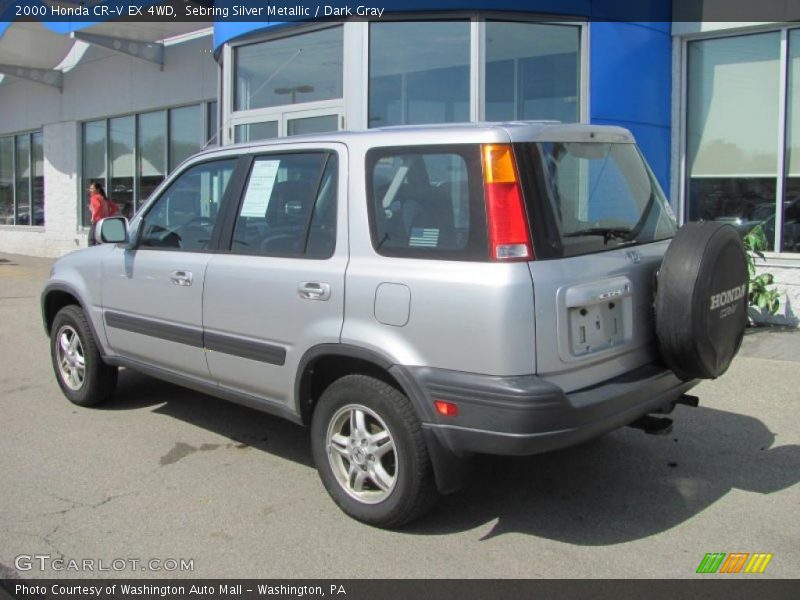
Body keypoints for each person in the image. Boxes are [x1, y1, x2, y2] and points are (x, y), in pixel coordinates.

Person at [87, 181, 116, 246]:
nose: (90, 190)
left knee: (91, 240)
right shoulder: (104, 198)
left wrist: (94, 218)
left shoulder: (94, 197)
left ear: (97, 190)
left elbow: (97, 206)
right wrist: (109, 215)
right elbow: (114, 207)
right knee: (101, 240)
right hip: (104, 221)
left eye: (92, 189)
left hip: (97, 221)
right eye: (90, 188)